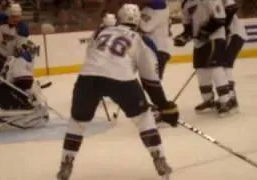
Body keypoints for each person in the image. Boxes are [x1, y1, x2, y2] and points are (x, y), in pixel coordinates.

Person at [56, 4, 179, 180]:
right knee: (144, 118)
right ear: (138, 21)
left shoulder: (103, 32)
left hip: (88, 77)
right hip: (121, 79)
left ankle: (65, 164)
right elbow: (151, 81)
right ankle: (159, 159)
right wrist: (165, 106)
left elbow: (91, 55)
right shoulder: (141, 40)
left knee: (77, 122)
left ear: (119, 19)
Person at [174, 0, 232, 115]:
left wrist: (205, 31)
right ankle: (208, 100)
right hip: (199, 42)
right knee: (201, 70)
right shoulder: (186, 4)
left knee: (215, 67)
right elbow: (188, 27)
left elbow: (220, 18)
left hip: (214, 38)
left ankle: (226, 100)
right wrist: (184, 37)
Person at [0, 39, 49, 132]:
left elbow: (14, 78)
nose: (33, 53)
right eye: (31, 50)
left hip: (2, 90)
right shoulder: (20, 61)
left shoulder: (13, 60)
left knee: (26, 98)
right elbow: (22, 81)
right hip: (5, 92)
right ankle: (2, 116)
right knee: (28, 102)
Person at [221, 0, 247, 110]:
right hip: (230, 36)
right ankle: (228, 97)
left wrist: (225, 26)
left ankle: (231, 98)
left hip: (235, 34)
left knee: (225, 65)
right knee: (222, 66)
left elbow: (232, 7)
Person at [140, 0, 170, 79]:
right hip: (149, 51)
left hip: (158, 51)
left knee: (153, 83)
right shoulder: (146, 8)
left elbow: (146, 27)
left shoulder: (160, 8)